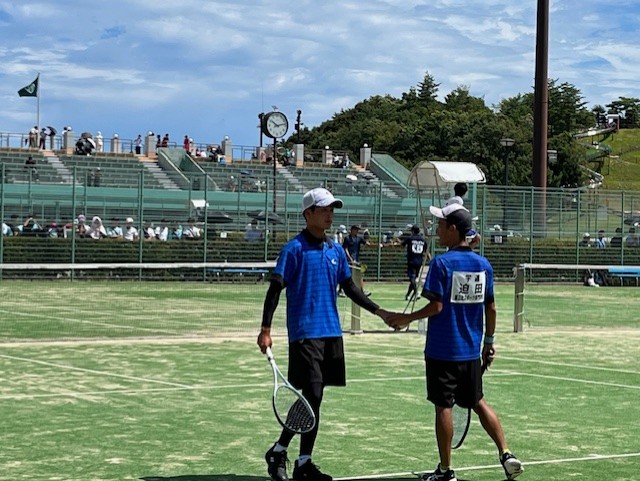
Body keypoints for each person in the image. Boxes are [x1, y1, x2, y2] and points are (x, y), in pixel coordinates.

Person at [257, 187, 391, 481]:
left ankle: (298, 459)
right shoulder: (293, 249)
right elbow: (275, 289)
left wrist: (380, 312)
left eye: (332, 209)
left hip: (331, 333)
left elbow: (350, 288)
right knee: (313, 393)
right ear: (308, 214)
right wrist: (265, 329)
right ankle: (283, 452)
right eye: (324, 209)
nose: (330, 214)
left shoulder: (335, 250)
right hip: (305, 333)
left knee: (313, 398)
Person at [386, 203, 523, 481]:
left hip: (442, 351)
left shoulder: (441, 263)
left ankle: (446, 470)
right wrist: (489, 342)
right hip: (470, 351)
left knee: (443, 408)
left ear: (452, 229)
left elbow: (436, 307)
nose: (437, 230)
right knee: (479, 402)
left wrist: (405, 318)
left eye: (440, 225)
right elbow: (491, 308)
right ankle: (506, 453)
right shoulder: (484, 265)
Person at [342, 225, 372, 296]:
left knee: (360, 275)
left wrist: (376, 245)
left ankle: (362, 291)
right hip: (348, 260)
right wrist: (350, 258)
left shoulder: (359, 239)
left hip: (356, 260)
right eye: (356, 230)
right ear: (352, 230)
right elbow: (345, 249)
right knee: (346, 275)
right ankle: (342, 291)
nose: (357, 231)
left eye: (358, 230)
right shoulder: (347, 238)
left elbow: (367, 244)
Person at [402, 224, 428, 301]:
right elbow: (426, 251)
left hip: (411, 261)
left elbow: (402, 244)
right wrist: (430, 259)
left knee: (412, 278)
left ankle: (416, 293)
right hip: (419, 261)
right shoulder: (423, 240)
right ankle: (408, 295)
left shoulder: (410, 238)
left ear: (412, 231)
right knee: (413, 278)